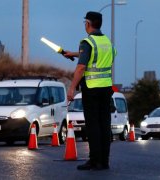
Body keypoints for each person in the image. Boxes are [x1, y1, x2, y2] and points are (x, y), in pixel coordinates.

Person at [64, 11, 116, 170]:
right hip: (106, 88)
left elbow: (81, 68)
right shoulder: (107, 42)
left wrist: (72, 88)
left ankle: (94, 161)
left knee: (93, 125)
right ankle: (104, 161)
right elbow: (97, 58)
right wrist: (74, 53)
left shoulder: (87, 42)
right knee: (104, 124)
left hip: (92, 89)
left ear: (88, 23)